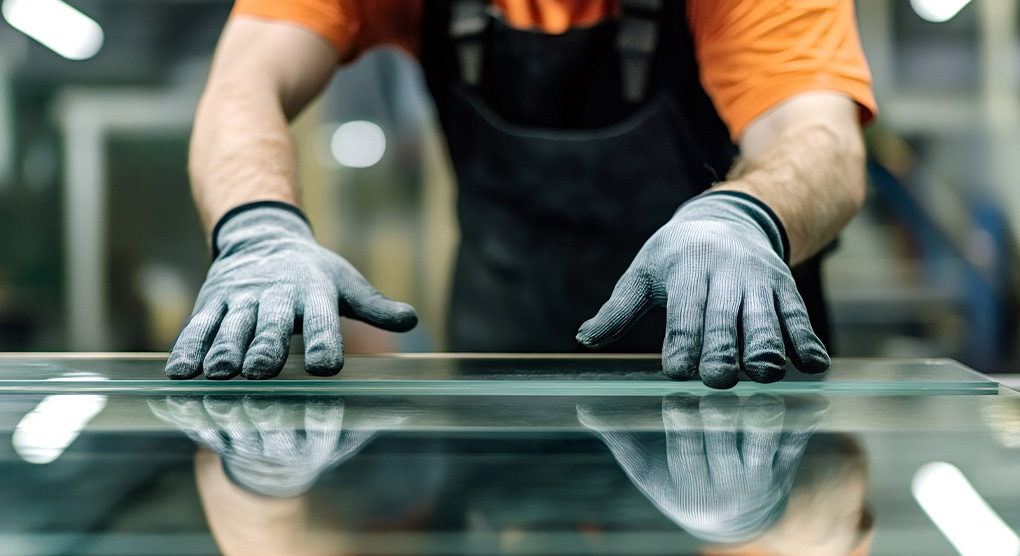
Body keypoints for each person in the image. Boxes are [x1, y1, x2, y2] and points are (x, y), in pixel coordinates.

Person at [165, 0, 876, 388]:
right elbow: (244, 81)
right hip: (506, 379)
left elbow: (821, 138)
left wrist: (743, 215)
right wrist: (258, 226)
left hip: (738, 388)